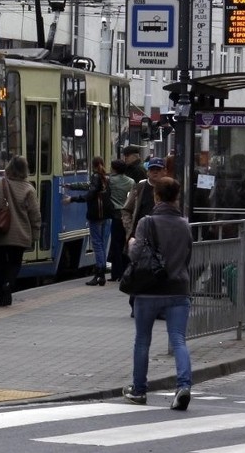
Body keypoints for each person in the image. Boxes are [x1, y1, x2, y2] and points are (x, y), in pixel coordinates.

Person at [122, 177, 193, 411]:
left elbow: (137, 255)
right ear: (176, 197)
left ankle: (139, 390)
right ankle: (183, 386)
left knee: (142, 341)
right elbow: (187, 258)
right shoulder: (185, 224)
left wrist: (132, 243)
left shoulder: (146, 222)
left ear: (157, 196)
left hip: (148, 292)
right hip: (178, 290)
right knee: (178, 340)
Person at [0, 156, 41, 307]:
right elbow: (35, 214)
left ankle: (1, 288)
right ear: (24, 170)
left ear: (9, 168)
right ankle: (8, 285)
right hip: (20, 234)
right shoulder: (29, 189)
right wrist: (35, 234)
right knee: (15, 263)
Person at [122, 157, 168, 314]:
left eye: (158, 169)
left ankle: (155, 308)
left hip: (161, 238)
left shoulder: (168, 187)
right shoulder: (140, 187)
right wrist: (130, 230)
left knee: (158, 272)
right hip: (140, 237)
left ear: (164, 171)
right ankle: (135, 305)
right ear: (148, 171)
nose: (154, 172)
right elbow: (126, 210)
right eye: (152, 169)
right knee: (139, 271)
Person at [65, 156, 115, 286]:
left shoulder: (95, 176)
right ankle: (102, 274)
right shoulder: (106, 178)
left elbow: (90, 194)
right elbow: (91, 188)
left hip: (96, 215)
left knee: (97, 244)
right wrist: (72, 186)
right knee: (102, 244)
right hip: (106, 215)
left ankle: (99, 273)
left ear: (92, 165)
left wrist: (72, 199)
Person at [106, 159, 134, 282]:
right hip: (127, 215)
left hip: (116, 215)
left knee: (116, 244)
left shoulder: (111, 181)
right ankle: (126, 270)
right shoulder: (131, 181)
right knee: (125, 242)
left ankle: (116, 273)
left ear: (115, 169)